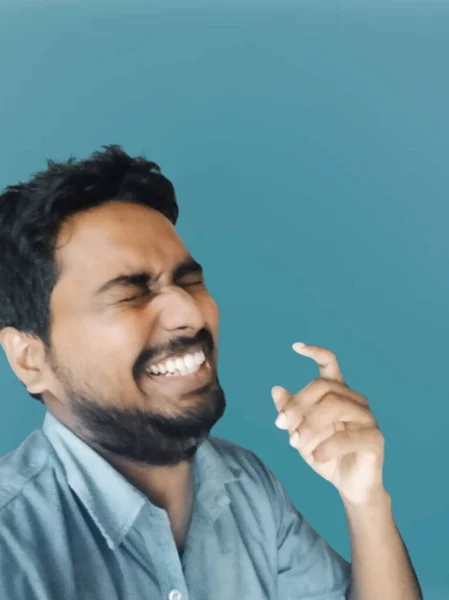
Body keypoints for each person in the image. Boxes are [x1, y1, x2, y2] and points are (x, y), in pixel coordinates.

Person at [0, 145, 422, 600]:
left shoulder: (247, 486)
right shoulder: (12, 548)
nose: (188, 311)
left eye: (189, 281)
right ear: (30, 359)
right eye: (129, 294)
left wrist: (365, 501)